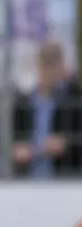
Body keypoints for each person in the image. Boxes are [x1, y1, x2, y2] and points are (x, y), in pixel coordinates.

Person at [12, 40, 82, 177]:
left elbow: (76, 140)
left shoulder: (73, 102)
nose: (49, 70)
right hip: (26, 183)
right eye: (46, 63)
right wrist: (18, 150)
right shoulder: (22, 104)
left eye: (54, 63)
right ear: (37, 65)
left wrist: (66, 143)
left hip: (64, 181)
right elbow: (10, 145)